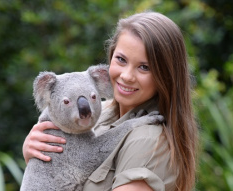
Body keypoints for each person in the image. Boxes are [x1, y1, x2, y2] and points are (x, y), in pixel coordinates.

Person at [23, 11, 198, 191]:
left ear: (165, 76)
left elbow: (90, 154)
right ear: (110, 57)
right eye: (121, 59)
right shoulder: (101, 113)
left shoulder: (147, 139)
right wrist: (34, 154)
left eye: (144, 67)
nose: (127, 76)